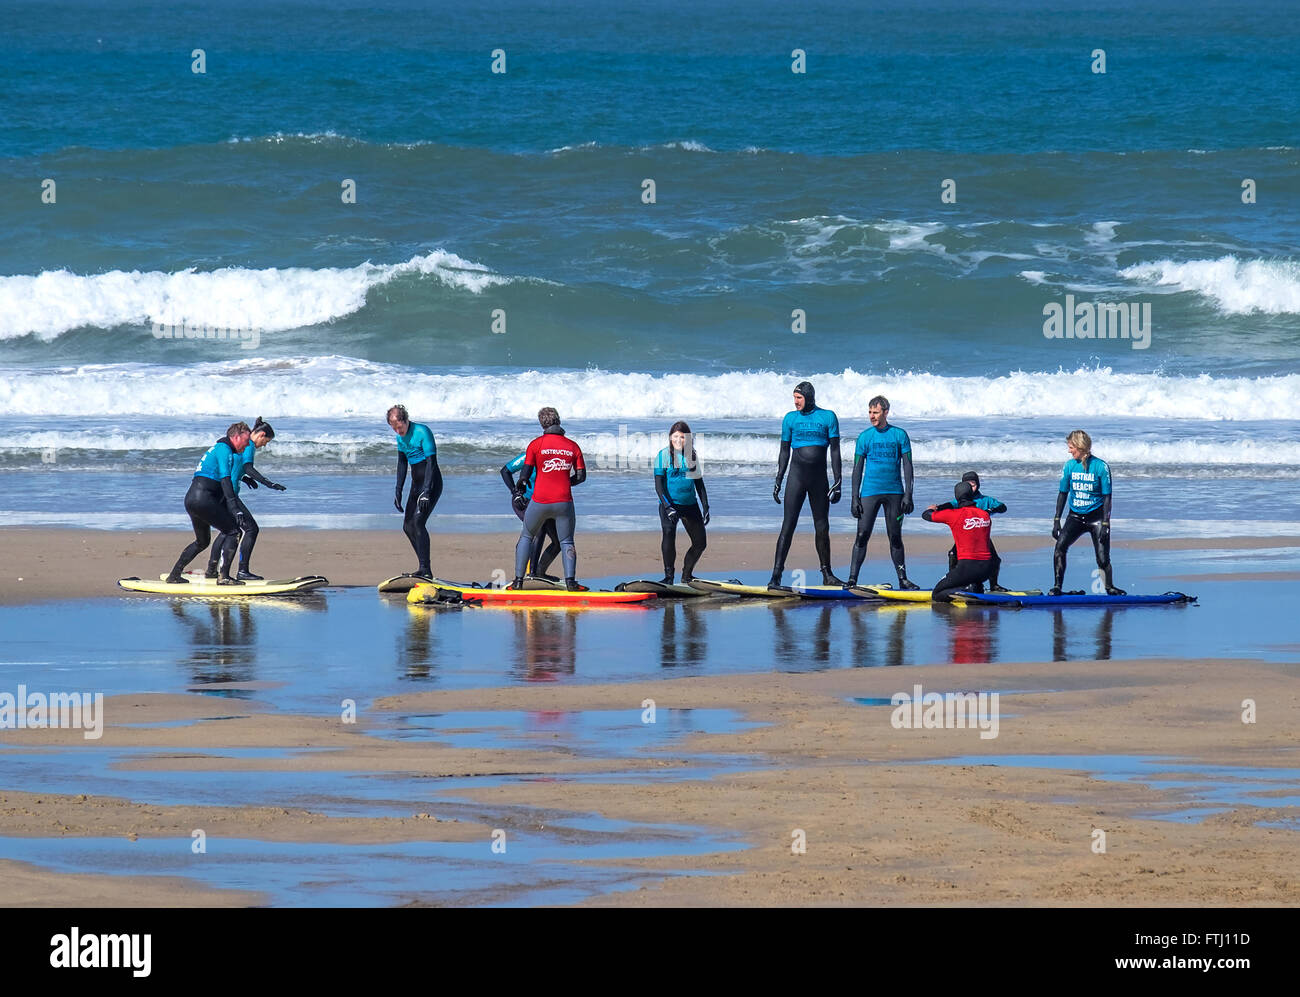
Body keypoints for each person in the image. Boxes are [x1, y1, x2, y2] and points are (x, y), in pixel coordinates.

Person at [769, 381, 843, 589]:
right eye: (794, 398)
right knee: (788, 525)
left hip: (819, 479)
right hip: (796, 478)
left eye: (799, 398)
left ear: (809, 397)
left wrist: (838, 481)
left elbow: (835, 451)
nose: (795, 402)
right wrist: (778, 479)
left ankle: (827, 574)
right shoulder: (790, 419)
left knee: (822, 526)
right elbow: (784, 451)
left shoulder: (828, 417)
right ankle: (776, 576)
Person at [165, 422, 253, 585]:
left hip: (192, 499)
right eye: (246, 440)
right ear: (236, 437)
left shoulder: (218, 449)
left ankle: (174, 575)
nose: (248, 444)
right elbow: (225, 481)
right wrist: (234, 508)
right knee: (234, 532)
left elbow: (215, 475)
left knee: (202, 541)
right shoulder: (224, 450)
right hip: (204, 500)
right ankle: (224, 577)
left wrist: (244, 478)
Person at [846, 395, 919, 589]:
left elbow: (908, 466)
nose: (872, 416)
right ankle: (852, 579)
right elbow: (857, 469)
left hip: (894, 492)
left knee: (895, 536)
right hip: (869, 492)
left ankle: (903, 579)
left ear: (885, 412)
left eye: (875, 412)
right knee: (862, 535)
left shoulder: (899, 435)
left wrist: (908, 495)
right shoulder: (864, 437)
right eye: (870, 412)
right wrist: (854, 498)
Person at [510, 407, 586, 591]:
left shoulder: (536, 445)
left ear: (541, 423)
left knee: (527, 536)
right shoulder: (572, 446)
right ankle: (571, 583)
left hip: (539, 501)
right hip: (564, 502)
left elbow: (525, 475)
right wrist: (565, 482)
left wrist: (519, 486)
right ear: (558, 421)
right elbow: (581, 476)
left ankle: (518, 582)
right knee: (566, 540)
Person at [206, 417, 286, 581]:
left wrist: (244, 478)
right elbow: (248, 467)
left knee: (227, 531)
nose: (264, 445)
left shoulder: (241, 443)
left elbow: (235, 466)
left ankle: (211, 570)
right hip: (230, 495)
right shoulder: (249, 444)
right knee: (251, 529)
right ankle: (242, 570)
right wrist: (268, 483)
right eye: (266, 441)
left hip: (222, 493)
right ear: (261, 434)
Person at [1051, 429, 1124, 596]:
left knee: (1102, 558)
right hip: (1075, 517)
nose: (1069, 451)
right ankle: (1057, 587)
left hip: (1097, 518)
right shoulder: (1069, 466)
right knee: (1059, 547)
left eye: (1071, 447)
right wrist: (1057, 520)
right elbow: (1063, 493)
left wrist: (1105, 523)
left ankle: (1109, 587)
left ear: (1080, 446)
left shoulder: (1101, 467)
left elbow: (1107, 497)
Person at [387, 405, 442, 579]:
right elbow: (402, 463)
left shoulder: (422, 431)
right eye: (394, 428)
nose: (397, 430)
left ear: (405, 419)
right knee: (407, 526)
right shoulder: (400, 438)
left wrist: (426, 491)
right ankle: (423, 567)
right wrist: (398, 490)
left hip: (431, 483)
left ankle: (426, 569)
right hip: (416, 485)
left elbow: (431, 464)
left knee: (418, 523)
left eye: (399, 426)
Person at [654, 421, 710, 584]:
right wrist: (668, 507)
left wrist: (705, 505)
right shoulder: (663, 455)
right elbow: (658, 486)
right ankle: (669, 577)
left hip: (690, 504)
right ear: (670, 437)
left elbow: (699, 483)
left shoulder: (691, 456)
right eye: (675, 436)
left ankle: (687, 575)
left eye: (683, 437)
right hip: (669, 504)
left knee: (700, 543)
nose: (679, 440)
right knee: (669, 534)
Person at [934, 470, 1008, 592]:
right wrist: (938, 507)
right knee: (953, 554)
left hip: (982, 538)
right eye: (968, 485)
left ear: (978, 484)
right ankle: (954, 581)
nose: (971, 488)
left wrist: (990, 510)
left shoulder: (985, 500)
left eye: (973, 484)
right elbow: (949, 505)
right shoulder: (960, 501)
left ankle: (994, 585)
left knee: (995, 559)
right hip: (965, 538)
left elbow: (1003, 507)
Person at [922, 481, 995, 602]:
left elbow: (926, 515)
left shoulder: (954, 515)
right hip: (987, 570)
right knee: (971, 578)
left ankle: (966, 590)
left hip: (967, 568)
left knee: (937, 593)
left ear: (957, 497)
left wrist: (931, 509)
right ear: (971, 495)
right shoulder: (985, 515)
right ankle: (974, 587)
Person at [501, 450, 561, 578]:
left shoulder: (555, 460)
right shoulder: (528, 456)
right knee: (538, 529)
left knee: (558, 542)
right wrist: (515, 492)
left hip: (544, 503)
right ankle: (530, 573)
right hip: (524, 501)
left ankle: (539, 572)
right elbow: (505, 471)